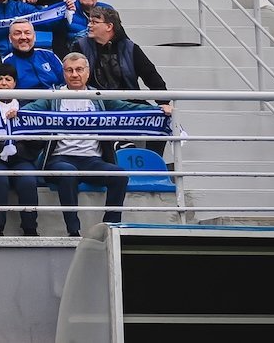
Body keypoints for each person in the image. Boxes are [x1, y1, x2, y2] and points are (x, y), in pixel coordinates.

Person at [18, 53, 172, 236]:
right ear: (63, 73)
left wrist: (156, 110)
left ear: (87, 72)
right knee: (67, 174)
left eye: (79, 70)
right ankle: (73, 231)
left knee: (119, 176)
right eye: (69, 70)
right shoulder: (53, 97)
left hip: (92, 160)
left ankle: (108, 228)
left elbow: (127, 107)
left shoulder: (98, 97)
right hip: (60, 159)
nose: (74, 74)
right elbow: (30, 110)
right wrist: (14, 111)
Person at [0, 65, 41, 237]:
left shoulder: (27, 106)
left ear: (14, 84)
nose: (3, 83)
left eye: (8, 79)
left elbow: (37, 142)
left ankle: (30, 230)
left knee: (28, 180)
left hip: (21, 159)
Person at [75, 5, 169, 99]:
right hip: (94, 103)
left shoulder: (130, 48)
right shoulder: (80, 46)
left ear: (109, 26)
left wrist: (164, 102)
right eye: (90, 21)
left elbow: (150, 75)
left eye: (94, 22)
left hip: (128, 102)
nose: (89, 25)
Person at [1, 20, 62, 89]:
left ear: (34, 36)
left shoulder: (49, 55)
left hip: (55, 98)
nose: (23, 37)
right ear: (10, 38)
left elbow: (64, 80)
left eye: (27, 33)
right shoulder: (6, 63)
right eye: (17, 33)